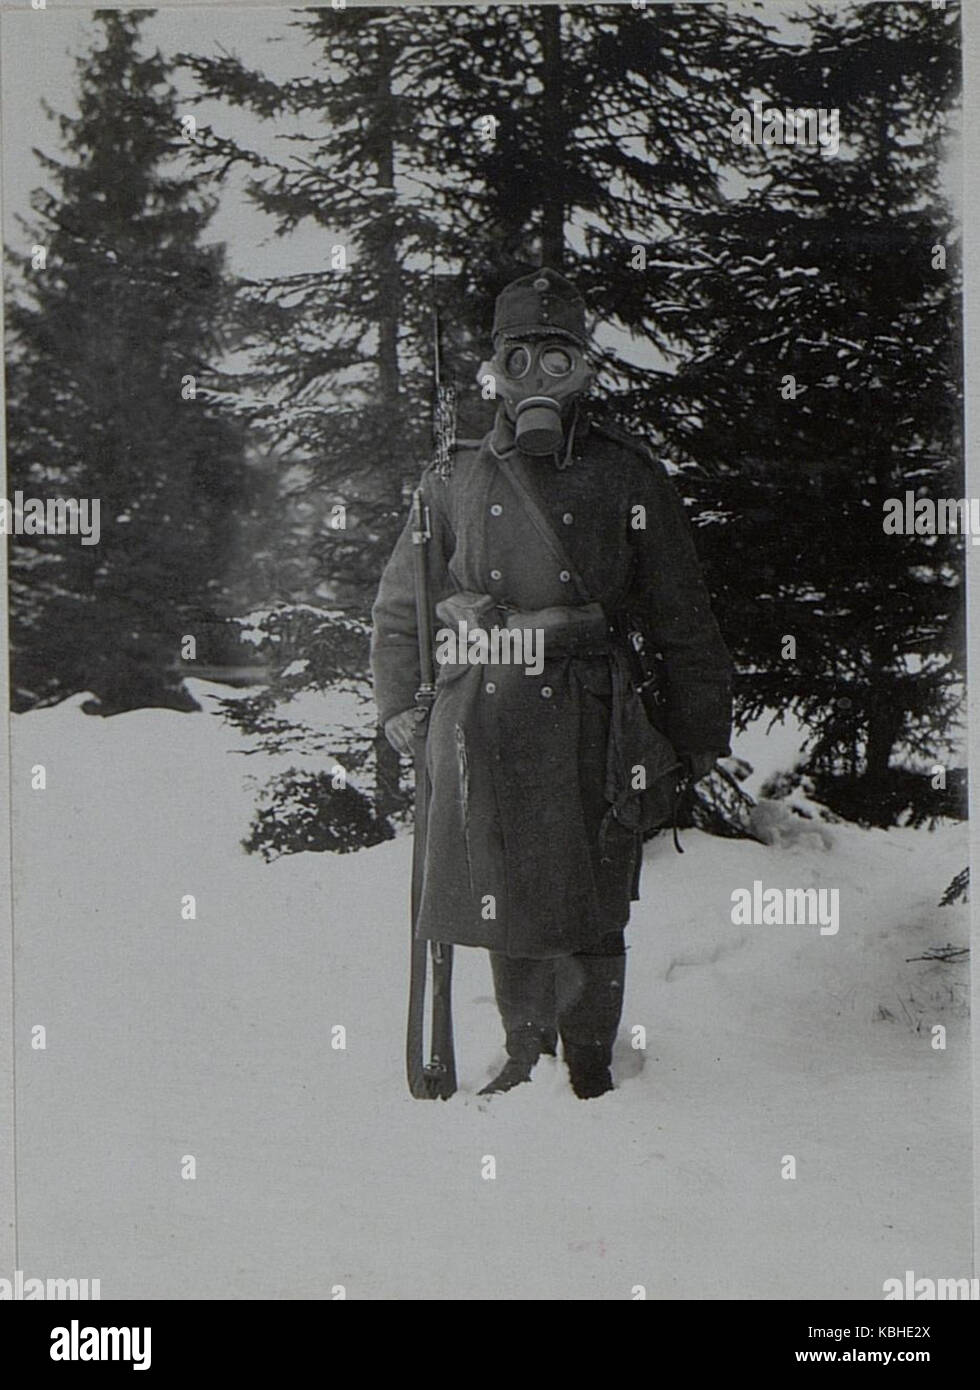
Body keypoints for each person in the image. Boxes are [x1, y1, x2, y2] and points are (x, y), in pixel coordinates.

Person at [371, 267, 732, 1099]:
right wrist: (397, 702)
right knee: (503, 886)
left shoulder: (626, 473)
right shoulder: (454, 473)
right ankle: (525, 1054)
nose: (537, 377)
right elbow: (401, 602)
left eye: (558, 359)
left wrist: (696, 735)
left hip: (590, 708)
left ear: (586, 370)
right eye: (518, 359)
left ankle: (591, 1063)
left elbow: (682, 612)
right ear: (494, 372)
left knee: (594, 887)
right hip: (485, 711)